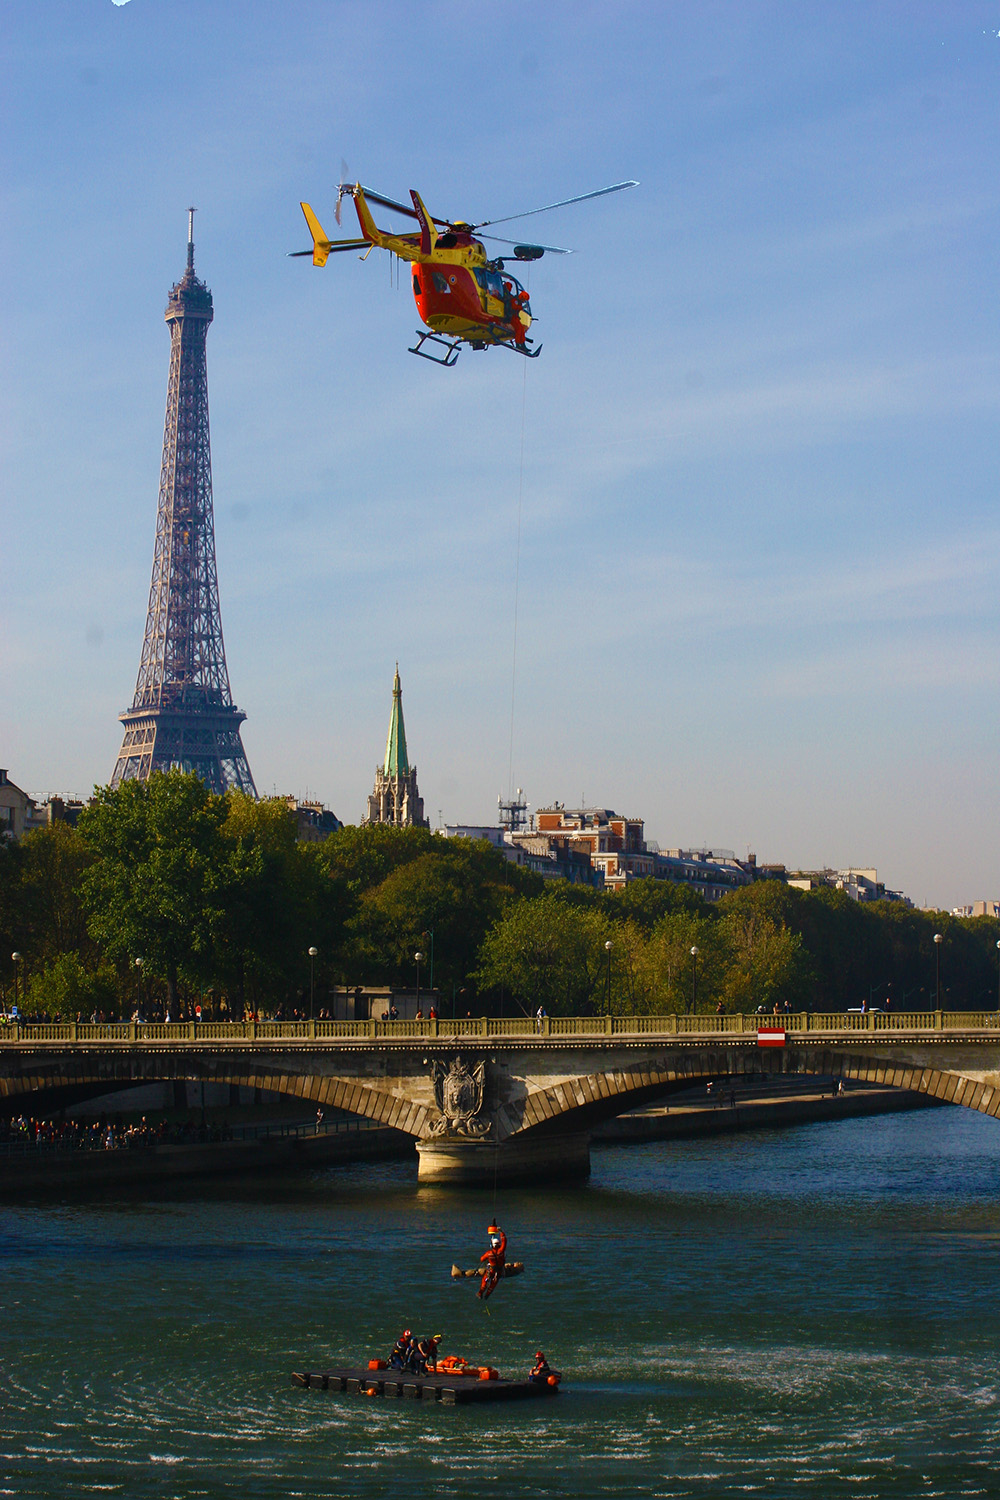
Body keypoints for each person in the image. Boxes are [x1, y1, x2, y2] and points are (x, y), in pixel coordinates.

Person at [478, 1223, 507, 1300]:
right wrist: (501, 1232)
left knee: (485, 1279)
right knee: (493, 1283)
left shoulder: (489, 1253)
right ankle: (487, 1295)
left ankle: (480, 1292)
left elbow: (482, 1259)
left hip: (491, 1270)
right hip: (499, 1271)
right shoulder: (501, 1251)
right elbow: (504, 1241)